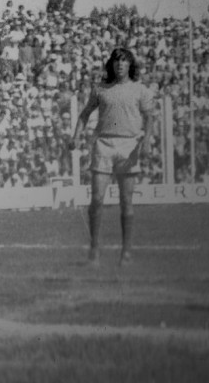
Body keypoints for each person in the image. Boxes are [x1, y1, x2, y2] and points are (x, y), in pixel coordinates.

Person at [67, 47, 157, 266]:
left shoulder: (140, 90)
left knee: (126, 202)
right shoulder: (101, 89)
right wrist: (76, 136)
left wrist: (146, 142)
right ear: (111, 65)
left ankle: (126, 253)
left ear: (130, 65)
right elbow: (85, 114)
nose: (120, 65)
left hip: (129, 146)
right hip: (104, 145)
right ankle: (94, 251)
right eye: (116, 61)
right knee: (96, 199)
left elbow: (150, 118)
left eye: (124, 61)